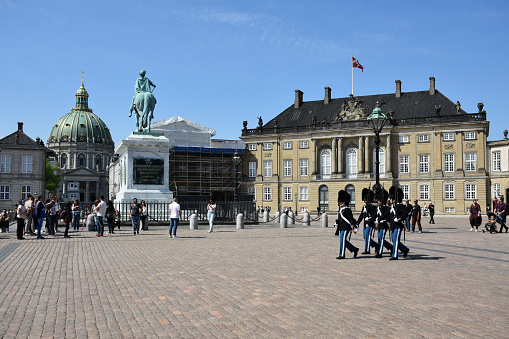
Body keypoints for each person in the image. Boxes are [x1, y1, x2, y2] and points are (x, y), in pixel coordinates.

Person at [334, 190, 359, 259]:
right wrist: (336, 223)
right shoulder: (341, 209)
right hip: (342, 227)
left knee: (342, 240)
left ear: (345, 202)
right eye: (340, 201)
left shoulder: (347, 209)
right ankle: (354, 249)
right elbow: (339, 219)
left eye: (342, 201)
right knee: (343, 240)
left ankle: (342, 254)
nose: (340, 203)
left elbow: (351, 219)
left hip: (346, 227)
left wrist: (355, 225)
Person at [389, 186, 410, 260]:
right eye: (392, 198)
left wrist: (399, 219)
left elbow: (405, 214)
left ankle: (395, 255)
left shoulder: (400, 206)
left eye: (393, 198)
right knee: (394, 240)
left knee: (396, 240)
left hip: (398, 225)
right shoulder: (392, 206)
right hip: (393, 225)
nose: (392, 200)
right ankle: (404, 249)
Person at [357, 188, 378, 255]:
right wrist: (358, 222)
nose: (365, 200)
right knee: (365, 236)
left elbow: (375, 214)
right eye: (364, 199)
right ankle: (375, 245)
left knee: (367, 236)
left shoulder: (372, 207)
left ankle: (367, 250)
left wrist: (370, 220)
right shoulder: (364, 207)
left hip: (370, 223)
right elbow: (361, 215)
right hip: (365, 224)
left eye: (366, 199)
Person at [375, 189, 393, 258]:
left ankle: (379, 253)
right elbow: (375, 215)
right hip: (380, 225)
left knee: (381, 239)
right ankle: (391, 247)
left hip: (384, 225)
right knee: (380, 238)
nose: (378, 201)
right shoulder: (379, 208)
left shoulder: (386, 208)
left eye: (379, 200)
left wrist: (383, 220)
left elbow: (388, 216)